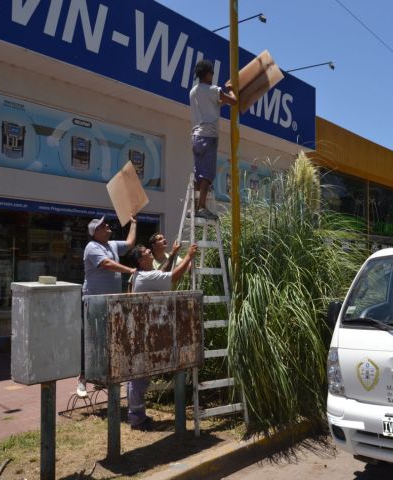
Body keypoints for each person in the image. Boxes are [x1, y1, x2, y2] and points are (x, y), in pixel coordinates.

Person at [124, 242, 198, 431]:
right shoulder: (146, 277)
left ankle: (136, 415)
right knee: (139, 376)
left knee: (139, 374)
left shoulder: (141, 275)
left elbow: (163, 272)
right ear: (141, 260)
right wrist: (188, 256)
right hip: (142, 332)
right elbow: (172, 276)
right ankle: (137, 418)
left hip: (141, 330)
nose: (150, 251)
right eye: (146, 252)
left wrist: (172, 254)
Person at [79, 215, 137, 396]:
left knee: (110, 339)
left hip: (112, 301)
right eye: (103, 225)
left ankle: (103, 376)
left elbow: (129, 243)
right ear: (96, 232)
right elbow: (106, 264)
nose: (107, 226)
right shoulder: (92, 247)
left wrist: (133, 223)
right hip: (95, 300)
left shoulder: (112, 245)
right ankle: (82, 378)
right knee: (91, 339)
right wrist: (129, 270)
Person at [189, 59, 237, 219]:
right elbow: (234, 101)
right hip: (209, 136)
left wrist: (222, 99)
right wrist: (231, 90)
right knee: (207, 176)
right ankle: (201, 207)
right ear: (208, 73)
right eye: (212, 74)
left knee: (199, 175)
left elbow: (215, 105)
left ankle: (195, 208)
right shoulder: (213, 90)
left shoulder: (194, 91)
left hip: (196, 136)